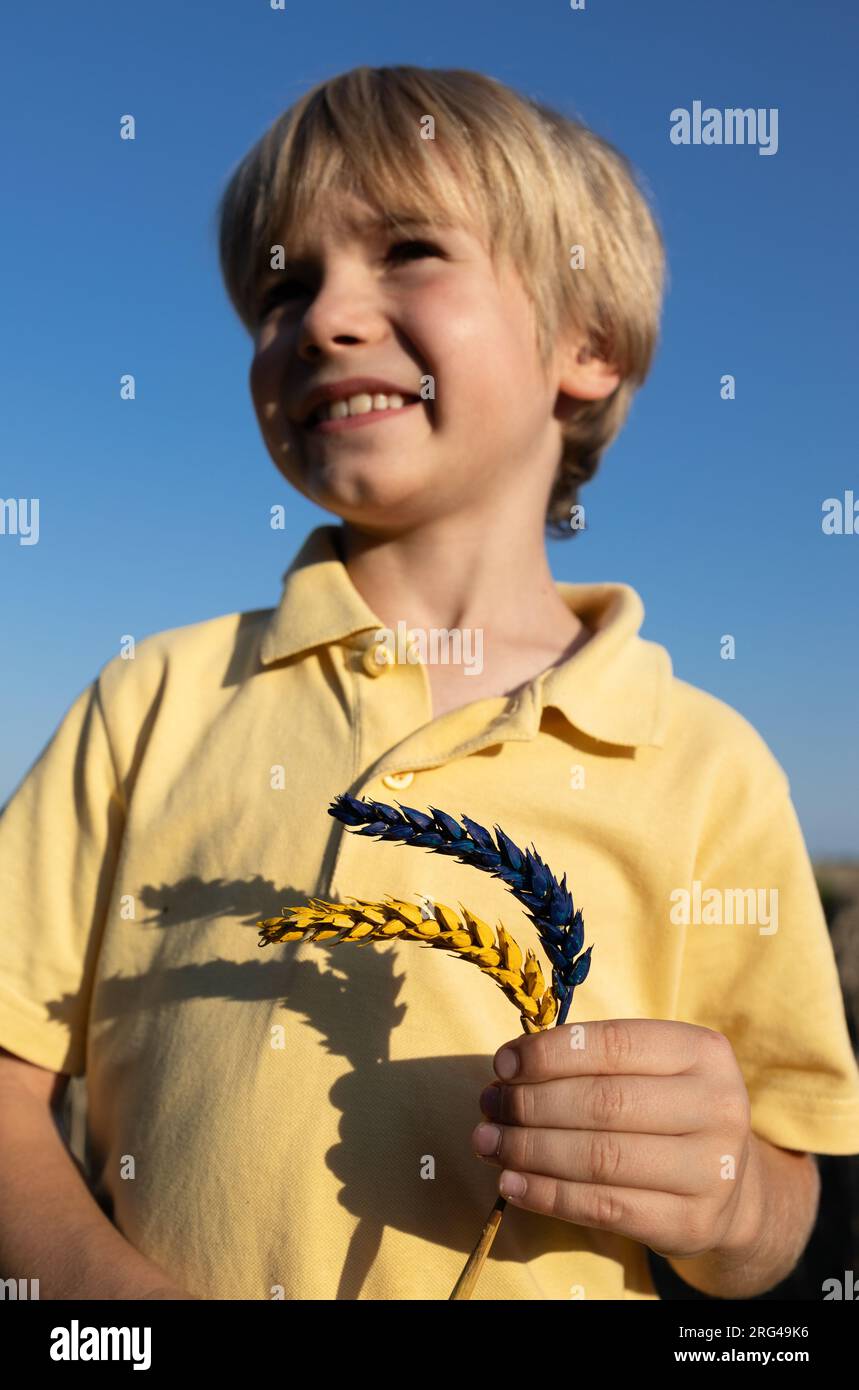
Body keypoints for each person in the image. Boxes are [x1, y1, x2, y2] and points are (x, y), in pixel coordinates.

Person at [2, 65, 857, 1301]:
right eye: (282, 284)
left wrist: (732, 1200)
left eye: (406, 250)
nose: (324, 317)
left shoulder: (707, 763)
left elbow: (787, 1201)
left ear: (589, 346)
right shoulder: (152, 700)